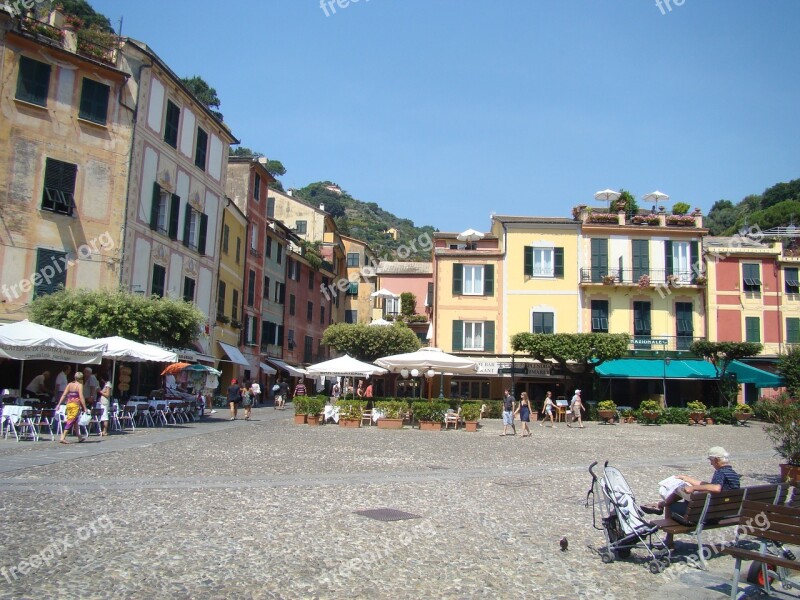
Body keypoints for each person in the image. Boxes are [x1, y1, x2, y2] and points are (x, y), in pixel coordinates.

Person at [641, 447, 741, 547]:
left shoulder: (720, 472)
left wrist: (693, 488)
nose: (711, 464)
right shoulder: (732, 474)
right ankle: (661, 505)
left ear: (716, 460)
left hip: (708, 514)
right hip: (723, 511)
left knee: (673, 502)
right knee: (684, 492)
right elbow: (710, 485)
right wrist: (688, 479)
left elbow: (716, 488)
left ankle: (668, 539)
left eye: (711, 461)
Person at [55, 371, 87, 443]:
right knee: (71, 420)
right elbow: (81, 397)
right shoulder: (80, 385)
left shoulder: (69, 384)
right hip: (75, 405)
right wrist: (84, 407)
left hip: (69, 404)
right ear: (81, 378)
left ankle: (79, 437)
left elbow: (64, 395)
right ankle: (63, 437)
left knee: (75, 420)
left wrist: (59, 404)